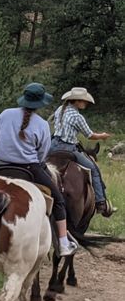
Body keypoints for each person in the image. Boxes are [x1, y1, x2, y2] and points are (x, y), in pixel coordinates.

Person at [0, 82, 77, 257]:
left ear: (23, 99)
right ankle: (63, 242)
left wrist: (2, 153)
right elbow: (42, 154)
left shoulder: (4, 114)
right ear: (40, 103)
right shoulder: (42, 124)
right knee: (58, 200)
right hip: (28, 169)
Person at [49, 87, 114, 216]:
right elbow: (90, 135)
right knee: (94, 169)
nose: (85, 103)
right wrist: (102, 136)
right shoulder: (77, 117)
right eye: (84, 101)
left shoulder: (59, 110)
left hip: (53, 145)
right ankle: (101, 202)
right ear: (76, 101)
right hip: (68, 148)